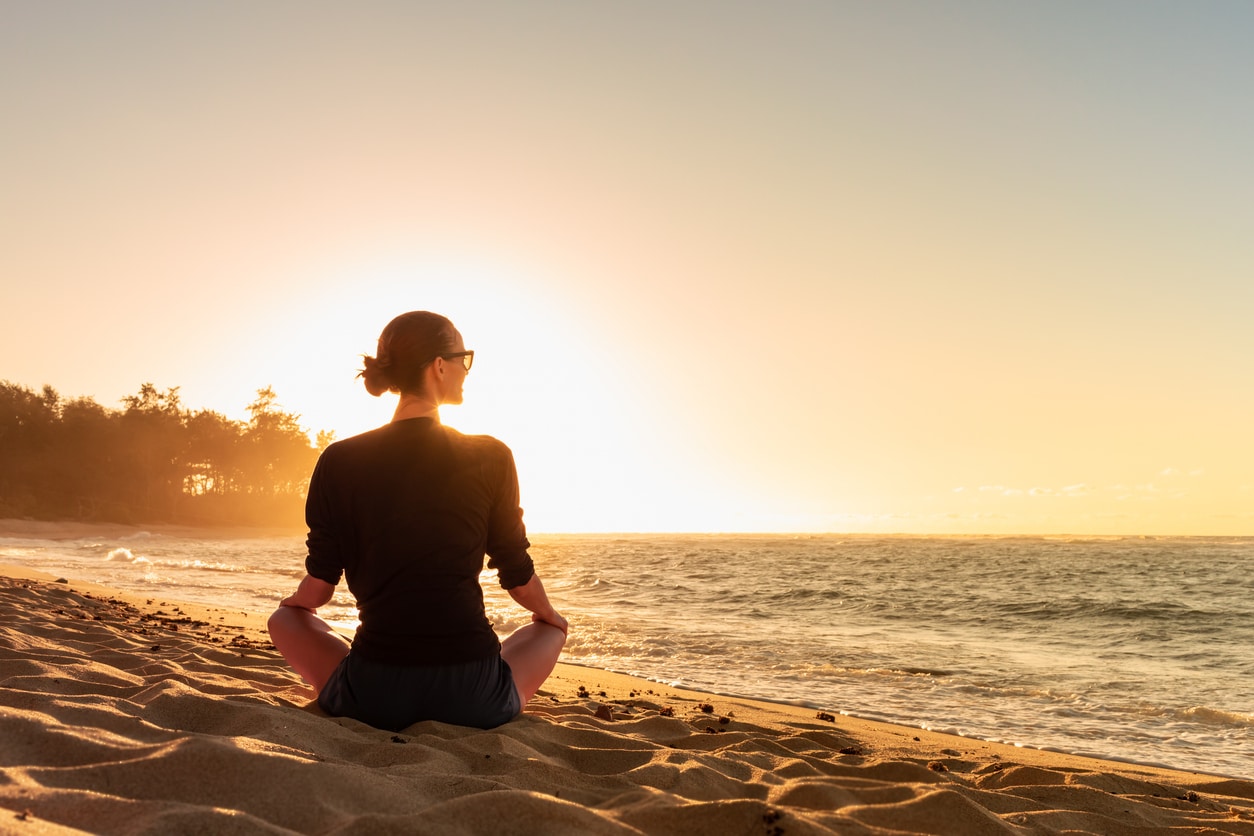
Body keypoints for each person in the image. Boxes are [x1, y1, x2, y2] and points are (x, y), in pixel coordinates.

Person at [268, 311, 568, 731]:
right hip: (473, 696)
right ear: (439, 366)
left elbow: (319, 588)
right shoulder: (490, 455)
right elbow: (516, 574)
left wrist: (295, 606)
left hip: (374, 696)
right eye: (463, 358)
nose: (466, 370)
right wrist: (550, 615)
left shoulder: (338, 460)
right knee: (550, 630)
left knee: (281, 619)